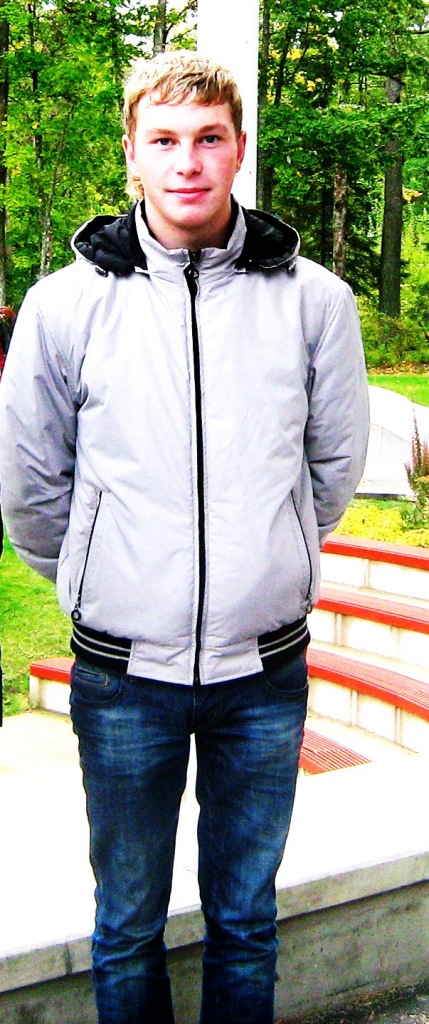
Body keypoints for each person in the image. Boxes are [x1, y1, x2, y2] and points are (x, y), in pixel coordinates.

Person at [0, 51, 369, 1024]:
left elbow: (331, 468)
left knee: (246, 920)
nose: (187, 161)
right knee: (126, 924)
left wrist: (269, 554)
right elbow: (32, 486)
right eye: (163, 139)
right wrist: (102, 576)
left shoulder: (316, 301)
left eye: (208, 138)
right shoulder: (64, 305)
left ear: (239, 148)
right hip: (124, 676)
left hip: (265, 674)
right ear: (131, 152)